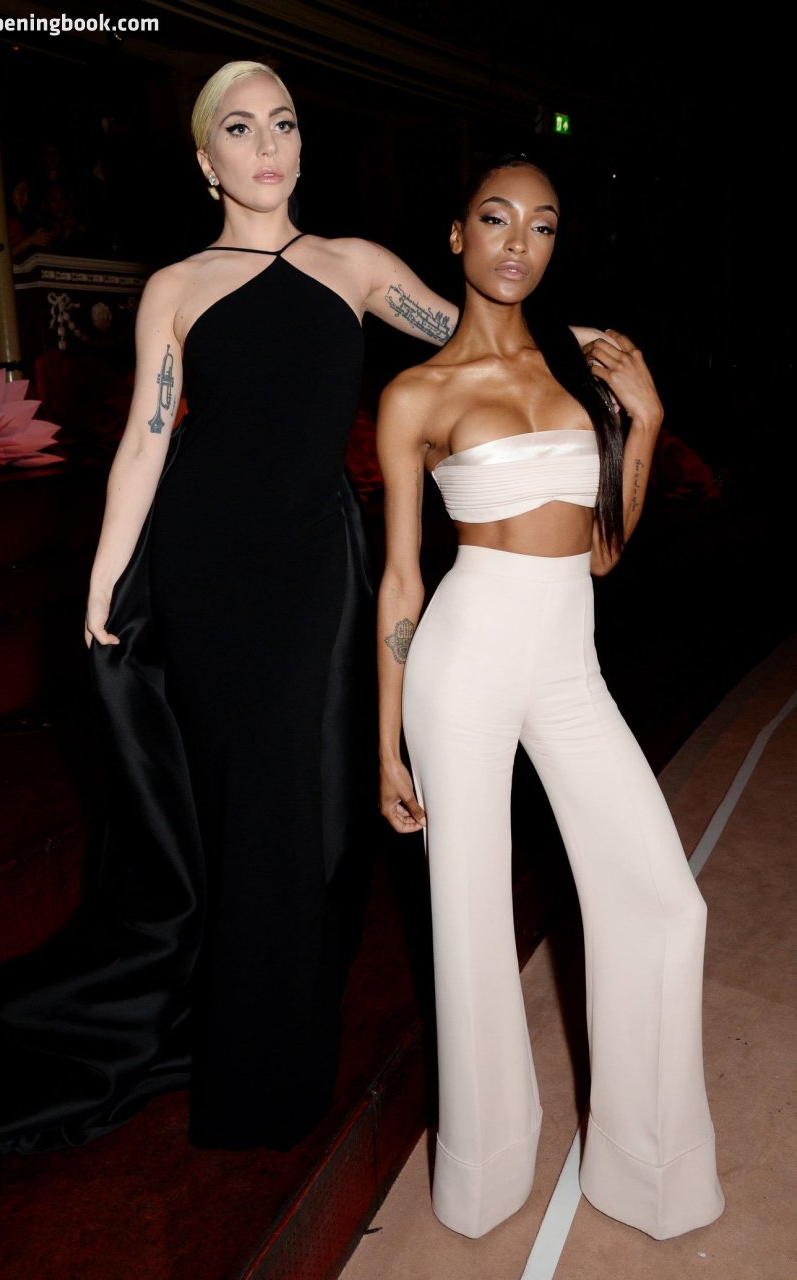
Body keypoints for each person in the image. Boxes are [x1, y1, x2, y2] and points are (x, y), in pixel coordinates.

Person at [0, 59, 458, 1175]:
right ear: (205, 159)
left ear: (301, 145)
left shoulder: (359, 266)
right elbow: (148, 435)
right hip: (207, 568)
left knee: (302, 807)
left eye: (282, 122)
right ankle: (252, 1066)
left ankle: (275, 1045)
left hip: (314, 569)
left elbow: (472, 343)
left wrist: (565, 354)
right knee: (245, 802)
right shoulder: (177, 285)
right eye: (239, 127)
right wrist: (104, 573)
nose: (266, 144)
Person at [376, 157, 725, 1240]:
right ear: (457, 235)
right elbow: (401, 581)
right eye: (496, 218)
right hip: (462, 659)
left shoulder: (582, 369)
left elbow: (603, 553)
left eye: (542, 224)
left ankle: (648, 1168)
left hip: (569, 663)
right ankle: (483, 1172)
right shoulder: (416, 393)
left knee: (665, 901)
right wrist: (385, 741)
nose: (518, 242)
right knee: (469, 918)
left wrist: (647, 421)